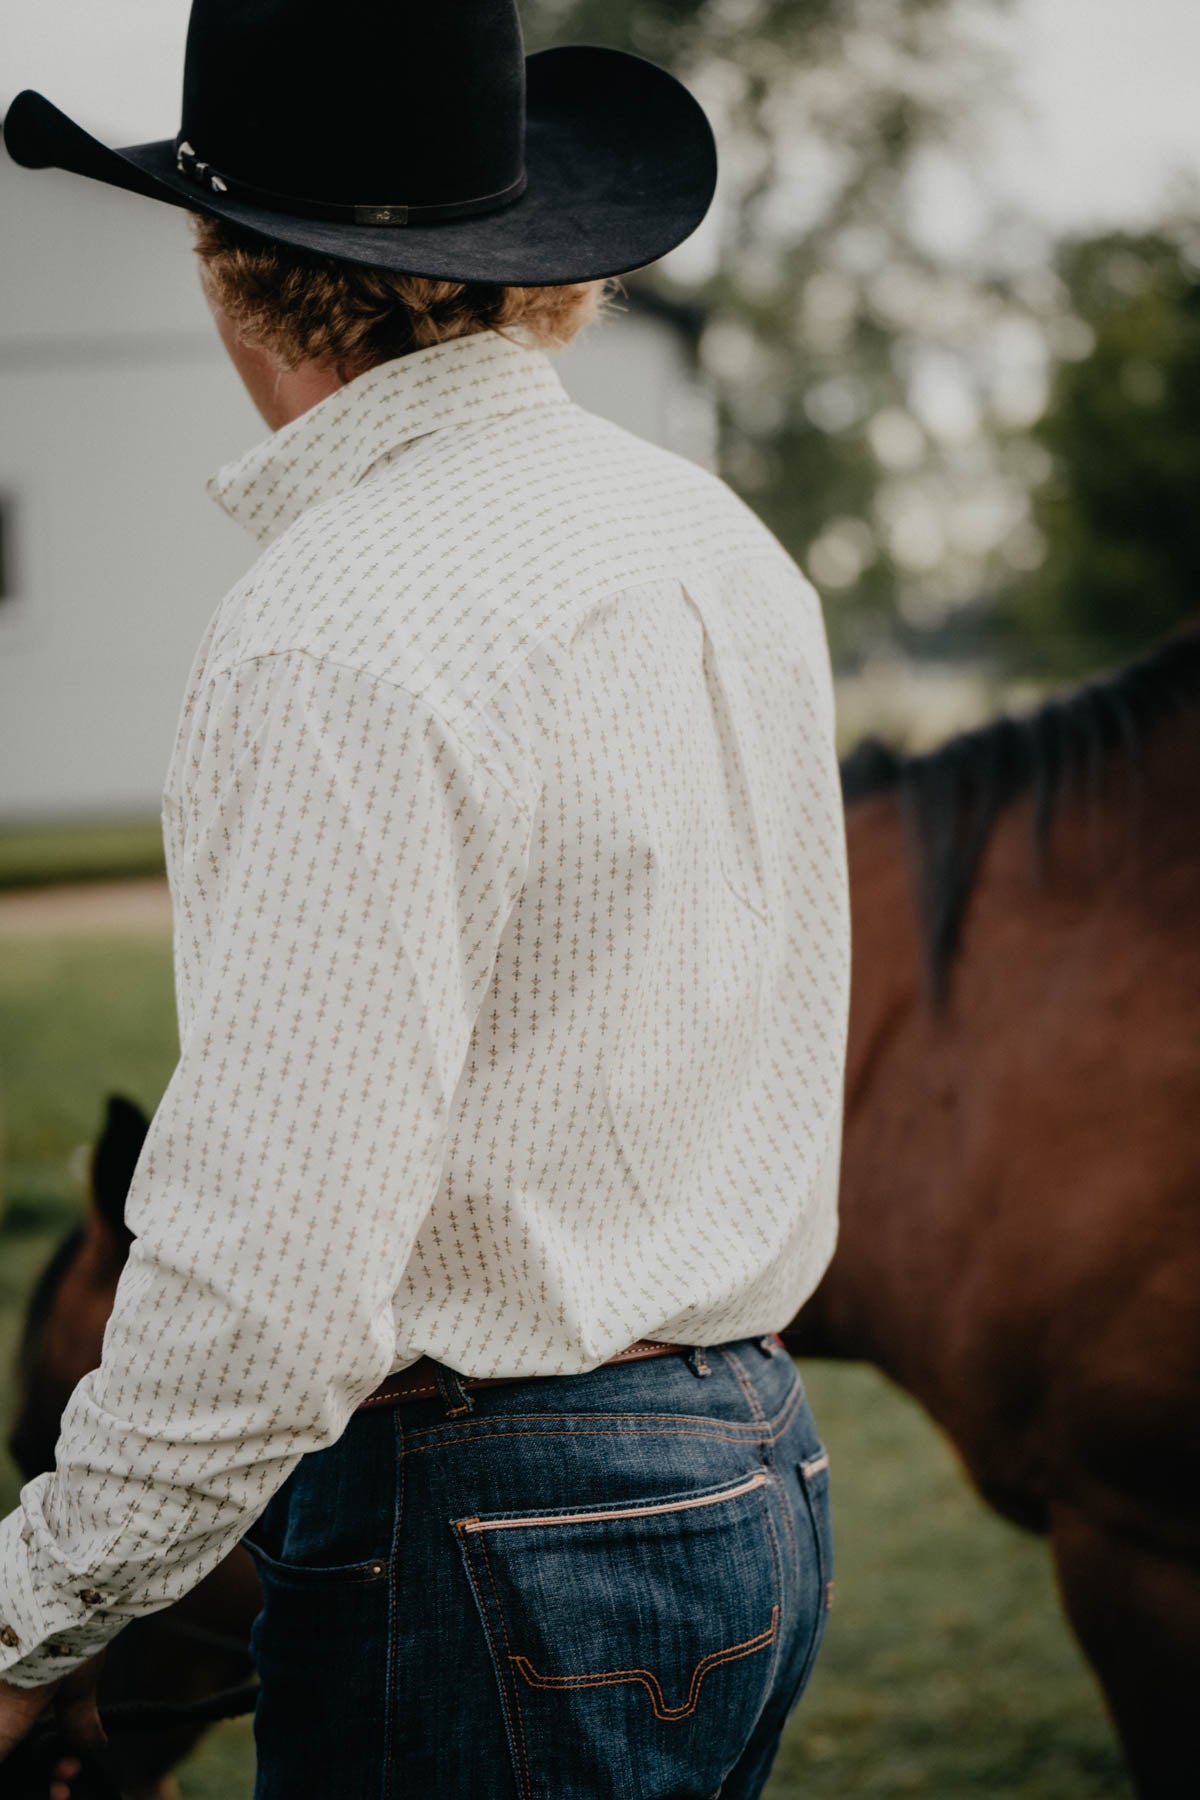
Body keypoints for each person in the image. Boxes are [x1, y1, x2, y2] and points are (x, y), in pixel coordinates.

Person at [0, 3, 851, 1795]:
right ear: (536, 267)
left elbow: (272, 1273)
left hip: (494, 1518)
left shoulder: (334, 625)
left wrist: (29, 1616)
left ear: (230, 273)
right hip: (754, 1462)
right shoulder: (711, 538)